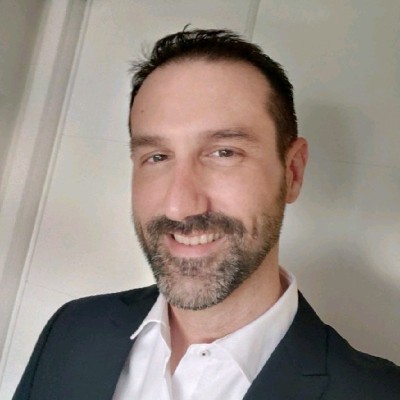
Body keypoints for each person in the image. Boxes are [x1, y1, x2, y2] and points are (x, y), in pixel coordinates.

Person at [13, 28, 400, 400]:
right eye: (157, 156)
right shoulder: (71, 329)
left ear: (293, 172)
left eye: (224, 153)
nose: (180, 206)